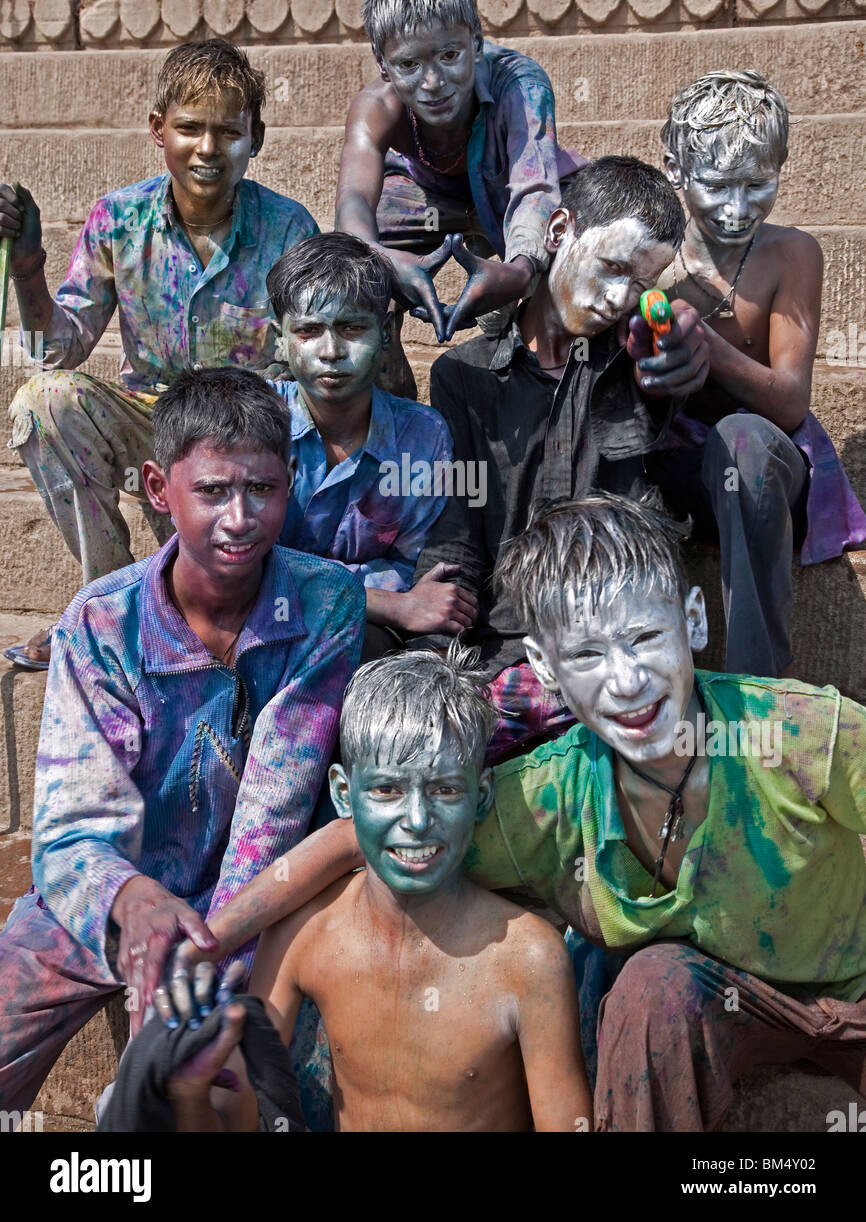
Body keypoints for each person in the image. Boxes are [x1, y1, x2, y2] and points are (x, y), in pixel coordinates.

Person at [173, 494, 866, 1133]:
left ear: (692, 620)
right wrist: (211, 938)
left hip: (858, 987)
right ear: (545, 665)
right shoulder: (552, 793)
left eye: (646, 638)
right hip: (722, 1007)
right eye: (588, 654)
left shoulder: (798, 733)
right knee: (651, 982)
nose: (627, 681)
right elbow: (362, 838)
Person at [0, 367, 365, 1113]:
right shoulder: (102, 624)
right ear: (158, 489)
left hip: (247, 903)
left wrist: (200, 946)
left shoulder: (327, 604)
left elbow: (274, 810)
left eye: (262, 490)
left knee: (203, 1076)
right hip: (108, 895)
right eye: (212, 492)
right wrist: (131, 901)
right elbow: (69, 834)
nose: (240, 517)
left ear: (289, 483)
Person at [157, 648, 591, 1133]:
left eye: (446, 789)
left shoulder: (530, 959)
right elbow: (244, 1114)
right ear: (344, 794)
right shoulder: (306, 934)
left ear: (482, 796)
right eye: (387, 790)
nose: (418, 821)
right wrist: (189, 1091)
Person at [1, 38, 318, 668]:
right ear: (157, 130)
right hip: (155, 429)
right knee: (42, 402)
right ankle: (113, 605)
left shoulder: (288, 229)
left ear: (256, 136)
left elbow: (312, 357)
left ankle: (263, 596)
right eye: (189, 128)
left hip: (250, 436)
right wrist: (29, 267)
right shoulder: (117, 220)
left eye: (228, 131)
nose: (207, 149)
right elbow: (52, 352)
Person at [410, 155, 709, 758]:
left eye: (641, 283)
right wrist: (430, 657)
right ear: (558, 231)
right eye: (612, 268)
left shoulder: (630, 365)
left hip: (609, 649)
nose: (619, 297)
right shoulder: (464, 377)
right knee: (425, 747)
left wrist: (675, 344)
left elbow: (670, 353)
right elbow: (457, 529)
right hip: (507, 650)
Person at [654, 68, 866, 676]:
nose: (737, 208)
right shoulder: (652, 257)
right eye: (718, 186)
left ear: (782, 166)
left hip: (763, 469)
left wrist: (709, 347)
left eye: (757, 184)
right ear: (674, 169)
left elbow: (790, 405)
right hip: (674, 464)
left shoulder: (791, 255)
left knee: (742, 442)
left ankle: (756, 689)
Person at [335, 0, 584, 397]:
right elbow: (352, 206)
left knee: (575, 233)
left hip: (510, 191)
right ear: (382, 63)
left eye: (450, 55)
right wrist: (385, 262)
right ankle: (389, 394)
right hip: (427, 198)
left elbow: (535, 188)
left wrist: (520, 271)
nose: (432, 82)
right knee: (352, 261)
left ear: (476, 41)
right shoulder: (376, 108)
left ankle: (544, 377)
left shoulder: (520, 84)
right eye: (409, 65)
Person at [266, 232, 477, 658]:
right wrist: (391, 603)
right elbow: (233, 565)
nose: (331, 352)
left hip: (362, 637)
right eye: (308, 331)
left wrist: (300, 580)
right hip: (256, 624)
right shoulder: (248, 422)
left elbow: (414, 570)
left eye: (352, 328)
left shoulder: (421, 438)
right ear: (280, 341)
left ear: (385, 333)